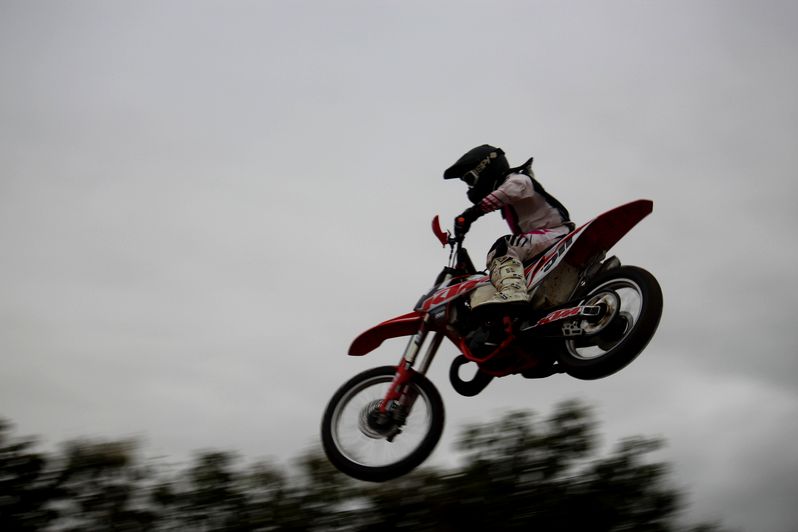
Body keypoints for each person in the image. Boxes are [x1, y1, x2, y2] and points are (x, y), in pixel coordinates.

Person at [444, 145, 574, 309]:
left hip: (555, 234)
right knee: (510, 265)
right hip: (546, 241)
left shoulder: (518, 180)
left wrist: (470, 214)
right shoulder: (512, 190)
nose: (470, 188)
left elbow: (507, 192)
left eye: (470, 180)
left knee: (504, 247)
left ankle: (512, 292)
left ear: (485, 167)